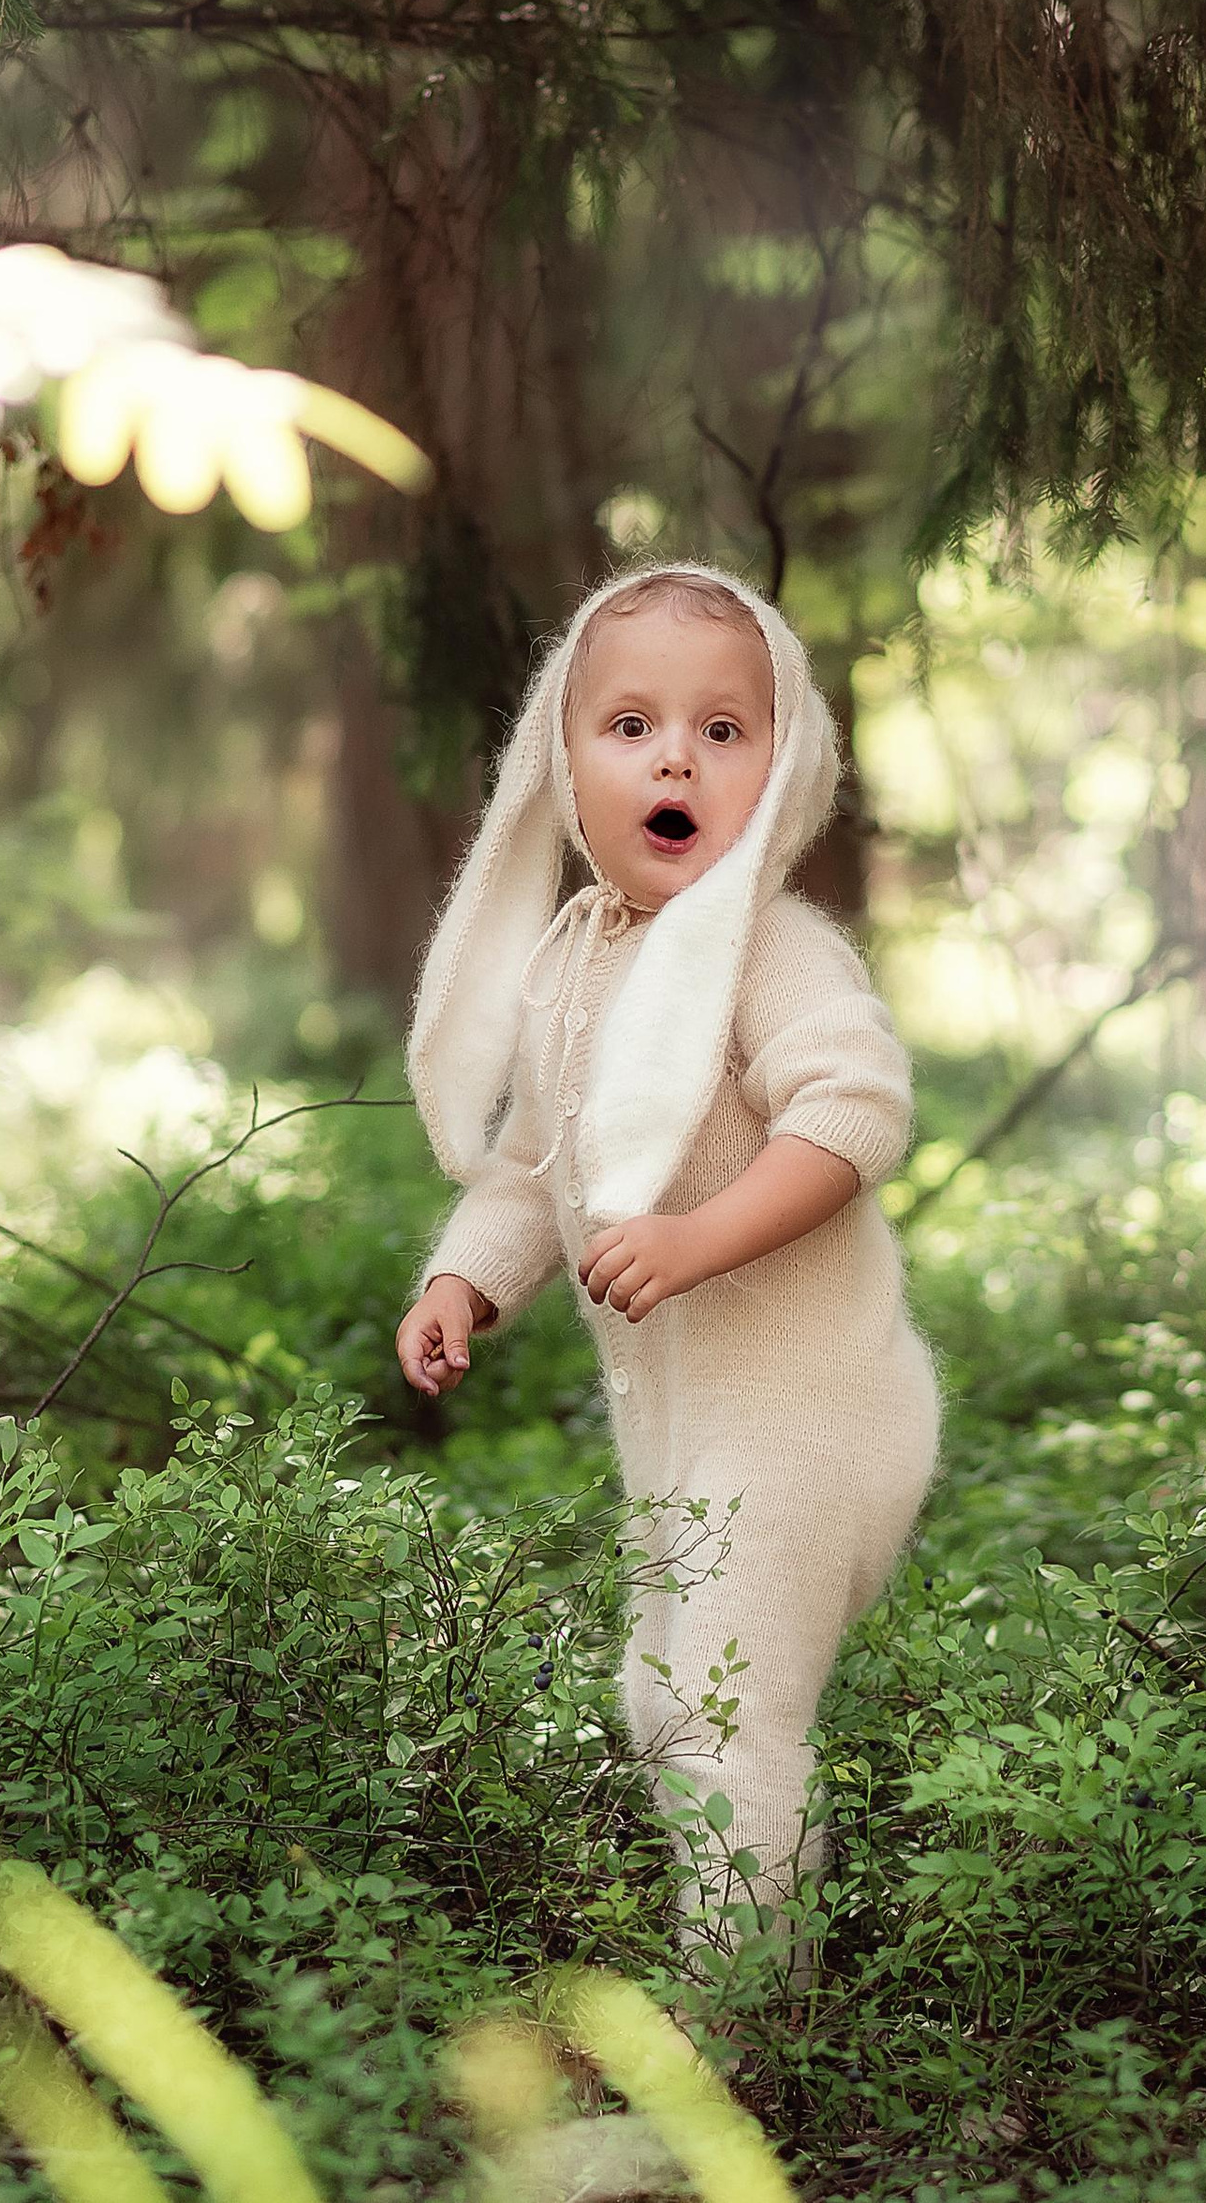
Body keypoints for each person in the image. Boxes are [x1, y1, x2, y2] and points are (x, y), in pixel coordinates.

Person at [394, 558, 942, 2005]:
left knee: (726, 1712)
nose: (675, 756)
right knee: (657, 1698)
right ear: (562, 767)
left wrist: (699, 1238)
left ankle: (745, 2034)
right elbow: (531, 1170)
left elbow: (853, 1114)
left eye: (722, 728)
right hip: (685, 1428)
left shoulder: (770, 946)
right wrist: (464, 1284)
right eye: (629, 725)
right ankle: (752, 1960)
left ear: (785, 765)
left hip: (811, 1412)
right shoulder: (575, 958)